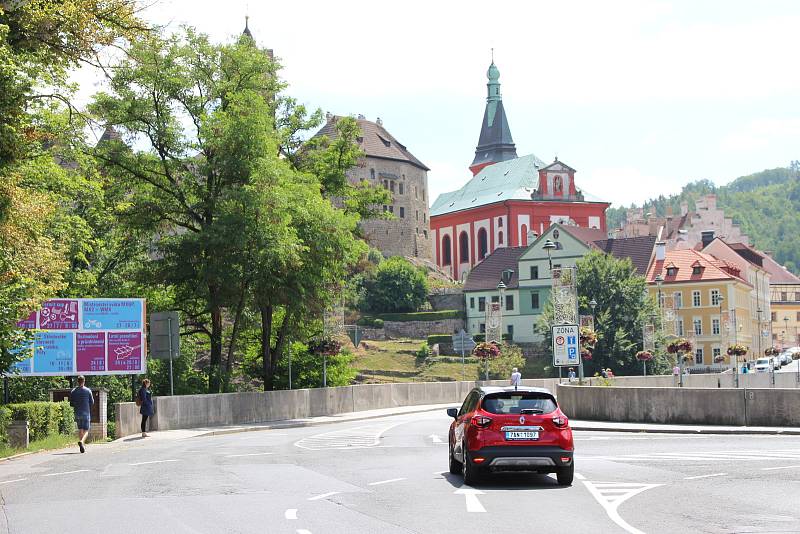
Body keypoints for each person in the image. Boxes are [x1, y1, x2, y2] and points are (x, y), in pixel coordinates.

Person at [69, 375, 94, 453]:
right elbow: (92, 402)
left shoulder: (73, 391)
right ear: (84, 381)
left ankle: (81, 446)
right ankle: (82, 442)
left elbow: (71, 404)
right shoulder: (88, 391)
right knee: (86, 430)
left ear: (77, 381)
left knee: (80, 429)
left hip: (77, 413)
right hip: (86, 413)